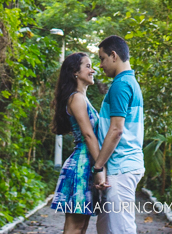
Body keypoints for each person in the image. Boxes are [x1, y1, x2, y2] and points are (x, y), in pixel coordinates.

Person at [90, 35, 144, 234]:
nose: (101, 65)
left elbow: (116, 130)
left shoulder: (121, 85)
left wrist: (98, 167)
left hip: (121, 167)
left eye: (102, 58)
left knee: (121, 229)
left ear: (114, 55)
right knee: (106, 228)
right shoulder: (128, 82)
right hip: (121, 166)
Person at [51, 52, 103, 234]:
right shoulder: (77, 98)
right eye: (88, 66)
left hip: (86, 165)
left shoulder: (81, 98)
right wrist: (100, 168)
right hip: (82, 165)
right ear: (75, 72)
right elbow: (88, 136)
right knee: (75, 226)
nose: (93, 70)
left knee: (81, 226)